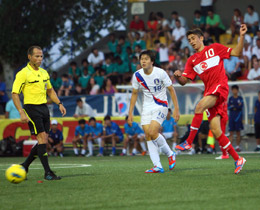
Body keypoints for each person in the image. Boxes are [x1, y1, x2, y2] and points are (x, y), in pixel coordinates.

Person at [174, 25, 248, 174]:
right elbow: (184, 81)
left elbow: (237, 52)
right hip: (210, 92)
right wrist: (178, 76)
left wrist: (241, 36)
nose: (192, 42)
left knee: (199, 107)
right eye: (189, 40)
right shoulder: (192, 60)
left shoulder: (214, 48)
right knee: (216, 130)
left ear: (201, 38)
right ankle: (238, 159)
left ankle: (189, 142)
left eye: (194, 38)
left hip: (220, 87)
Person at [12, 46, 66, 180]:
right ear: (29, 57)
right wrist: (21, 112)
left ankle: (24, 166)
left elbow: (50, 91)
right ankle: (48, 172)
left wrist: (59, 103)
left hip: (44, 108)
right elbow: (15, 94)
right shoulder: (23, 73)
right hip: (31, 108)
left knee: (44, 141)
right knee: (42, 139)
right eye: (36, 56)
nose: (40, 59)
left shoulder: (44, 73)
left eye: (41, 56)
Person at [128, 50, 180, 173]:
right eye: (141, 59)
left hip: (161, 105)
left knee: (153, 131)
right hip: (146, 107)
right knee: (148, 135)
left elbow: (171, 90)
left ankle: (170, 153)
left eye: (146, 59)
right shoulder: (137, 75)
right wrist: (130, 113)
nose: (143, 61)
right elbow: (135, 94)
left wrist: (176, 109)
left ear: (152, 61)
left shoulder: (161, 73)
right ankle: (157, 166)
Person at [228, 85, 244, 152]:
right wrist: (236, 106)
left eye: (235, 90)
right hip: (231, 117)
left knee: (238, 132)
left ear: (237, 90)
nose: (234, 91)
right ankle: (230, 148)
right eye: (233, 90)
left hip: (238, 117)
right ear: (232, 90)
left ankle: (237, 146)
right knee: (231, 133)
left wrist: (234, 106)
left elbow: (241, 107)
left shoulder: (240, 98)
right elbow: (228, 107)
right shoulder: (230, 99)